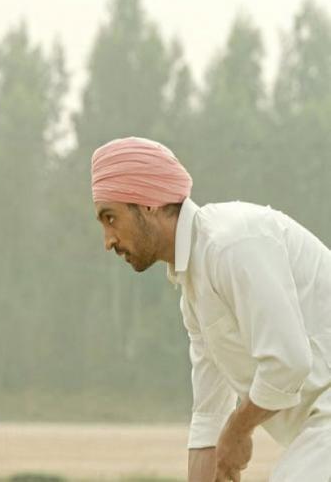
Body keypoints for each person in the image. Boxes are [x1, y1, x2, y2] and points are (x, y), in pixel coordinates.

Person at [90, 136, 331, 482]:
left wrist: (238, 430)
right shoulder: (193, 290)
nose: (107, 240)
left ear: (149, 204)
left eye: (110, 218)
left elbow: (289, 362)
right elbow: (209, 415)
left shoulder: (231, 244)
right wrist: (225, 444)